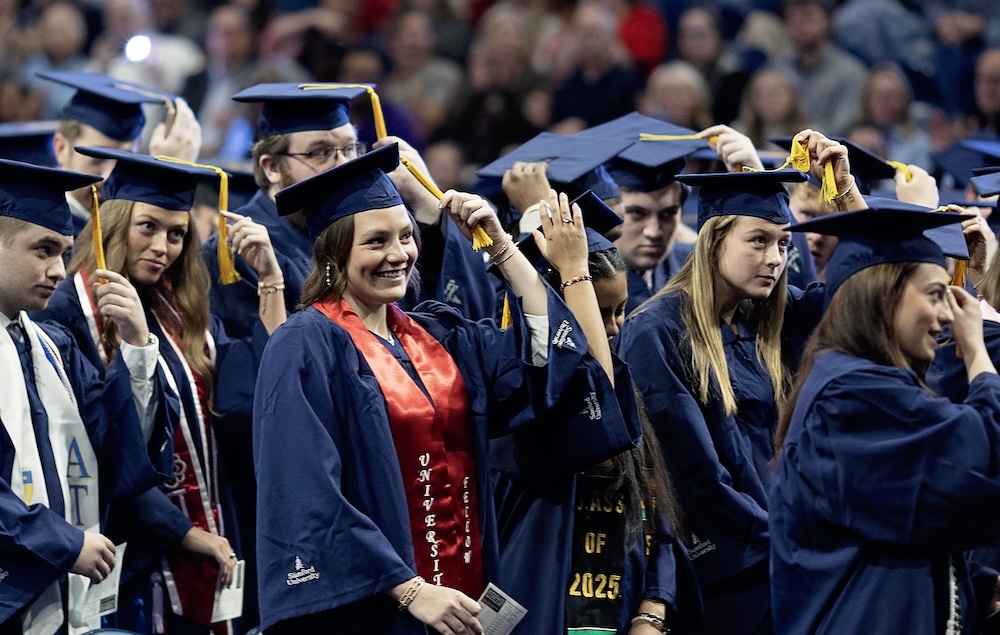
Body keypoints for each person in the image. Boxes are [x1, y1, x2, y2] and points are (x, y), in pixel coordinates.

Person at [254, 143, 633, 633]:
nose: (398, 255)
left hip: (462, 600)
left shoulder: (438, 335)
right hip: (377, 609)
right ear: (333, 251)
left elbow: (546, 361)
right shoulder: (305, 345)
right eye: (376, 241)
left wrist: (502, 247)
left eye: (406, 236)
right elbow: (305, 491)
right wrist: (408, 589)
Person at [615, 130, 866, 635]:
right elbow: (694, 476)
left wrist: (844, 192)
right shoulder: (657, 332)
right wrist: (784, 541)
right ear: (713, 242)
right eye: (758, 241)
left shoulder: (778, 318)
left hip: (792, 560)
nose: (775, 258)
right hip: (729, 576)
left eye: (783, 244)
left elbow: (868, 288)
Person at [33, 147, 286, 635]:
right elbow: (98, 447)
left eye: (176, 234)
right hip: (132, 551)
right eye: (147, 226)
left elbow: (260, 387)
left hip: (212, 525)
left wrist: (270, 282)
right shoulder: (68, 314)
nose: (163, 247)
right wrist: (184, 533)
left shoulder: (181, 313)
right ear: (114, 223)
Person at [770, 205, 1000, 634]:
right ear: (883, 295)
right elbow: (982, 461)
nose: (949, 316)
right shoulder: (851, 396)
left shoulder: (855, 383)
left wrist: (977, 583)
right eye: (935, 294)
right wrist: (977, 355)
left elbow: (906, 526)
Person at [490, 193, 704, 634]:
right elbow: (585, 386)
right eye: (598, 311)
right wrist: (571, 272)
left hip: (624, 614)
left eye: (620, 311)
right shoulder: (519, 401)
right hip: (539, 609)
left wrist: (653, 608)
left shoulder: (626, 394)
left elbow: (654, 516)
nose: (611, 327)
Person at [0, 158, 161, 633]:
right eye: (44, 250)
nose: (58, 269)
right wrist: (65, 543)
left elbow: (115, 447)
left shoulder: (53, 345)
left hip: (65, 601)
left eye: (65, 251)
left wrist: (136, 348)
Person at [37, 70, 202, 236]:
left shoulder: (134, 228)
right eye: (97, 158)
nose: (110, 175)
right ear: (61, 149)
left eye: (124, 159)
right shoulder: (43, 227)